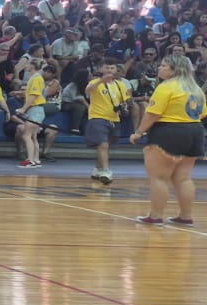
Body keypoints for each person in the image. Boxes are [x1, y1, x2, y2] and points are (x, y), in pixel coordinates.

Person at [130, 54, 203, 224]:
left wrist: (138, 132)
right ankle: (186, 216)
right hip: (195, 130)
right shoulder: (195, 88)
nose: (159, 68)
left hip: (169, 131)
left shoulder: (166, 87)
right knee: (183, 178)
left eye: (163, 65)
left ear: (174, 70)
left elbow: (152, 114)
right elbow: (202, 113)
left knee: (159, 177)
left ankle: (155, 216)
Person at [84, 58, 131, 184]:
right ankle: (106, 170)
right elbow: (88, 90)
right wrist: (101, 80)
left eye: (112, 68)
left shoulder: (120, 85)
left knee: (106, 146)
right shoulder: (95, 82)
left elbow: (125, 100)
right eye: (107, 68)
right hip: (98, 117)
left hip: (114, 118)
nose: (109, 70)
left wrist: (124, 107)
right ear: (101, 69)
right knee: (103, 144)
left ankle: (98, 169)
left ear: (116, 70)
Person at [14, 57, 49, 169]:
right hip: (36, 109)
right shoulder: (36, 78)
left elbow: (34, 95)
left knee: (27, 135)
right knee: (33, 136)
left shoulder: (36, 78)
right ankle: (35, 159)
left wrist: (23, 108)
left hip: (35, 109)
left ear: (32, 66)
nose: (26, 66)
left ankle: (30, 160)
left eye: (28, 64)